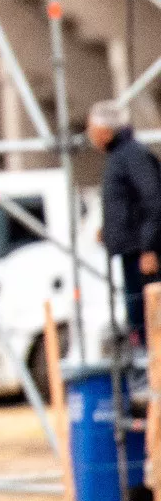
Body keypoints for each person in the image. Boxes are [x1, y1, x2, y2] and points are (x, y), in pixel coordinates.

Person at [88, 100, 161, 337]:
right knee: (136, 316)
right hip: (131, 252)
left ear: (105, 131)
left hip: (142, 255)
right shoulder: (120, 156)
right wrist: (108, 230)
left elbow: (153, 199)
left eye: (92, 129)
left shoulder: (133, 155)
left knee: (147, 316)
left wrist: (149, 247)